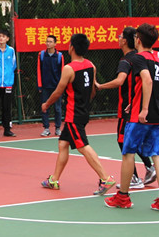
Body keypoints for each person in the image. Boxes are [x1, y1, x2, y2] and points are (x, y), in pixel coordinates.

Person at [105, 23, 159, 212]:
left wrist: (143, 108)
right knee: (158, 155)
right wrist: (137, 101)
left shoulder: (138, 58)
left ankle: (123, 197)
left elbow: (147, 80)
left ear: (138, 40)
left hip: (140, 116)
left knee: (128, 153)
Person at [40, 33, 115, 195]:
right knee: (63, 144)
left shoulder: (69, 69)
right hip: (83, 112)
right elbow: (93, 91)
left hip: (73, 115)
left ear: (72, 47)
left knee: (82, 146)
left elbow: (58, 92)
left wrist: (46, 104)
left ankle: (105, 178)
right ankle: (54, 180)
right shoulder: (91, 65)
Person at [94, 26, 154, 189]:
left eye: (120, 36)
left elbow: (120, 80)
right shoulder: (140, 57)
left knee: (123, 141)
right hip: (136, 104)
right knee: (134, 139)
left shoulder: (126, 61)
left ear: (125, 41)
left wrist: (100, 86)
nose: (118, 38)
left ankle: (134, 177)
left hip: (127, 108)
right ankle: (149, 167)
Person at [37, 35, 64, 137]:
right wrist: (40, 85)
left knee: (57, 108)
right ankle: (46, 128)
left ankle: (58, 128)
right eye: (47, 41)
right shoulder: (41, 55)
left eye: (50, 42)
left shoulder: (60, 56)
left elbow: (62, 72)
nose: (48, 43)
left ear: (55, 44)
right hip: (45, 87)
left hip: (57, 87)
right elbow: (39, 70)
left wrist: (61, 87)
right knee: (45, 107)